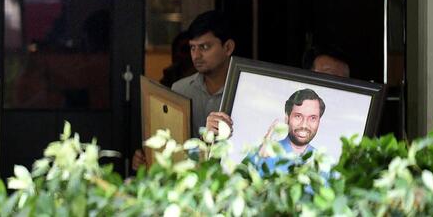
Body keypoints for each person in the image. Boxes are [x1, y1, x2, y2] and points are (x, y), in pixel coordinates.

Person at [132, 10, 235, 170]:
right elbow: (175, 148)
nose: (196, 55)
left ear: (228, 47)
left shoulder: (243, 91)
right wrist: (149, 158)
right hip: (189, 181)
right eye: (193, 48)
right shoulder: (180, 89)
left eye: (205, 47)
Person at [253, 88, 326, 174]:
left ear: (318, 122)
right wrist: (258, 159)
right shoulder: (264, 152)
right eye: (298, 116)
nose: (304, 125)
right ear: (287, 118)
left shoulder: (324, 164)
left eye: (312, 118)